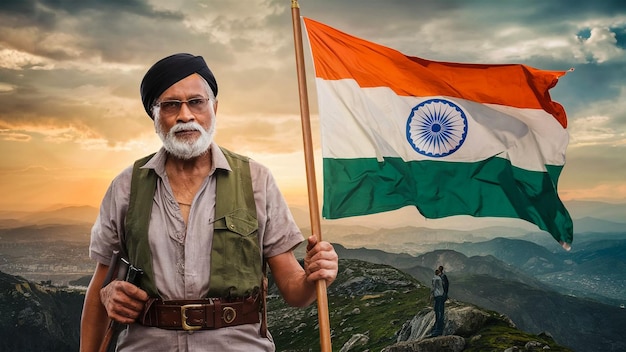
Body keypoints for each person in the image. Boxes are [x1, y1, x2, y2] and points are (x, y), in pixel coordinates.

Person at [79, 53, 339, 352]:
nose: (185, 115)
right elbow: (100, 288)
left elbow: (295, 291)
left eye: (196, 102)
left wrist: (314, 275)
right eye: (171, 105)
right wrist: (107, 295)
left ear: (214, 108)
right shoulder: (126, 187)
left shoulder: (256, 179)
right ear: (155, 115)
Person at [430, 268, 445, 337]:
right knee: (440, 310)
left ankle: (437, 328)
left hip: (436, 295)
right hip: (440, 295)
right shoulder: (439, 279)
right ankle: (438, 327)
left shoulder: (434, 279)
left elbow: (433, 288)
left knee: (437, 310)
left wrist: (431, 295)